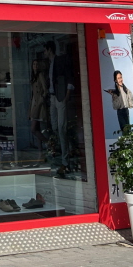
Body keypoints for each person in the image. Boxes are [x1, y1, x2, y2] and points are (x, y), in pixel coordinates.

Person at [45, 40, 75, 176]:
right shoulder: (49, 64)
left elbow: (69, 77)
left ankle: (65, 161)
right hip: (53, 97)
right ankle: (69, 147)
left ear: (49, 50)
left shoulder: (60, 61)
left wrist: (67, 95)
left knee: (61, 128)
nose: (44, 53)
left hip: (60, 97)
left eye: (45, 50)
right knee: (55, 126)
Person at [28, 59, 49, 163]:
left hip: (38, 104)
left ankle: (49, 143)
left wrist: (41, 99)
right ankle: (40, 154)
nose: (35, 66)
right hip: (34, 103)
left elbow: (45, 90)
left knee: (33, 129)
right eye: (34, 64)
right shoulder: (34, 76)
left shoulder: (40, 75)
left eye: (37, 64)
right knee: (37, 129)